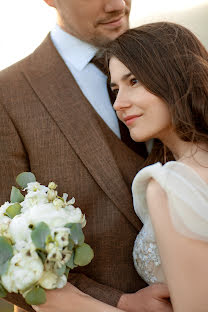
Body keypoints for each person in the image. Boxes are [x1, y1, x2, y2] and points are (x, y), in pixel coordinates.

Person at [0, 1, 171, 312]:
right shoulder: (7, 94)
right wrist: (120, 302)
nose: (118, 4)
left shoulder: (171, 60)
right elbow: (5, 254)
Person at [105, 21, 208, 311]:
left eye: (133, 81)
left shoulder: (168, 186)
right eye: (115, 88)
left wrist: (76, 302)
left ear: (173, 77)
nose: (118, 103)